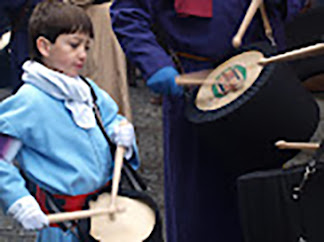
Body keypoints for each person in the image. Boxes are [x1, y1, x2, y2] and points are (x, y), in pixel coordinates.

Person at [110, 1, 307, 241]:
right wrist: (155, 64)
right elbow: (128, 13)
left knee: (264, 202)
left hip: (259, 81)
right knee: (201, 210)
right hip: (196, 89)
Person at [0, 1, 139, 241]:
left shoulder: (88, 89)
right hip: (63, 227)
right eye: (74, 45)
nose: (83, 54)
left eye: (86, 46)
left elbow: (110, 119)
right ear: (44, 46)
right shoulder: (28, 103)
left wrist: (119, 130)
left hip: (104, 217)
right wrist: (19, 200)